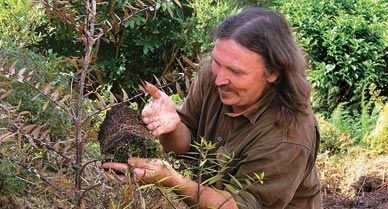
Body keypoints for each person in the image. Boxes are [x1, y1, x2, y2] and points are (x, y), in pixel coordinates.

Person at [103, 7, 322, 209]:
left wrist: (172, 181)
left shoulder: (288, 135)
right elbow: (187, 145)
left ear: (273, 72)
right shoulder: (213, 76)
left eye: (236, 72)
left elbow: (240, 206)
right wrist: (174, 128)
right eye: (217, 62)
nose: (219, 80)